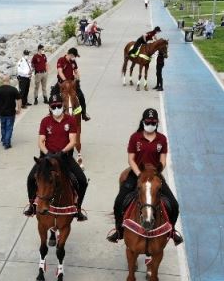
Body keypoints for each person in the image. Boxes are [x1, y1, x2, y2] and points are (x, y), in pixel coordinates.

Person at [107, 108, 179, 243]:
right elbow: (131, 159)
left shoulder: (162, 139)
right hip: (137, 174)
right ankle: (118, 230)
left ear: (157, 123)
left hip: (154, 175)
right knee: (119, 202)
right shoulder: (135, 137)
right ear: (143, 122)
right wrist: (140, 174)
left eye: (153, 122)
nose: (150, 124)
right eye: (148, 121)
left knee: (174, 204)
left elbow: (163, 160)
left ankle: (173, 231)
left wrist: (156, 173)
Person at [24, 94, 88, 221]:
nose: (56, 109)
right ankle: (32, 205)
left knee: (82, 180)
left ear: (63, 106)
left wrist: (62, 152)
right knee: (31, 178)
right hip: (46, 158)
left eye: (59, 106)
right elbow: (40, 141)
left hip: (64, 157)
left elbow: (73, 141)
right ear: (49, 108)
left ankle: (78, 208)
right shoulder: (45, 121)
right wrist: (47, 153)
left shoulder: (70, 120)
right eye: (54, 107)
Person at [54, 47, 91, 121]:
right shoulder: (61, 60)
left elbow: (76, 71)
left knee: (81, 97)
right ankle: (52, 114)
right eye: (74, 56)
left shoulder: (73, 62)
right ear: (70, 54)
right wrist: (65, 81)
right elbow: (60, 72)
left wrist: (78, 79)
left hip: (72, 83)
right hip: (62, 83)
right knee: (53, 96)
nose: (75, 58)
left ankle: (83, 113)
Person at [0, 75, 22, 149]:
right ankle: (7, 143)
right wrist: (19, 109)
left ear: (2, 81)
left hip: (1, 112)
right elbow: (19, 99)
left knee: (3, 127)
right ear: (9, 80)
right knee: (9, 128)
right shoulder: (13, 89)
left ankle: (4, 141)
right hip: (10, 112)